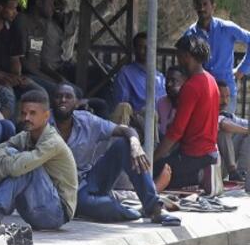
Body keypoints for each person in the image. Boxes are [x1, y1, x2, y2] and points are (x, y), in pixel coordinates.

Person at [52, 84, 178, 226]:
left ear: (76, 103)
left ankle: (155, 208)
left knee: (125, 144)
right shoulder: (45, 124)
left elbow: (126, 130)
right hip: (65, 193)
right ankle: (134, 212)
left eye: (68, 97)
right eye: (58, 97)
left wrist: (135, 145)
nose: (63, 100)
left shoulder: (87, 120)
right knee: (106, 207)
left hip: (90, 181)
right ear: (52, 101)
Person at [0, 89, 78, 231]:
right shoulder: (25, 136)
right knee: (13, 157)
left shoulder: (53, 141)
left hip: (55, 213)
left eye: (33, 113)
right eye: (24, 113)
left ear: (46, 115)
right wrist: (6, 162)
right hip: (32, 207)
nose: (26, 118)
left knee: (26, 165)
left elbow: (18, 167)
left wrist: (4, 163)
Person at [154, 34, 220, 191]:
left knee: (153, 173)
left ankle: (199, 176)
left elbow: (176, 132)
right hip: (211, 152)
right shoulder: (211, 80)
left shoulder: (190, 87)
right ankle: (201, 174)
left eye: (179, 57)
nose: (178, 61)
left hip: (193, 155)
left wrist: (153, 158)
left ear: (186, 56)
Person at [185, 0, 250, 112]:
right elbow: (184, 60)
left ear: (213, 6)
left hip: (226, 92)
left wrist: (243, 69)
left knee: (225, 128)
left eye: (205, 4)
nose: (202, 8)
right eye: (198, 5)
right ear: (194, 6)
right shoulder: (190, 34)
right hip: (202, 92)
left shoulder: (227, 28)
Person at [16, 0, 68, 93]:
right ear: (39, 3)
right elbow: (24, 63)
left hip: (36, 73)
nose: (53, 8)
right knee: (63, 92)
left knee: (73, 90)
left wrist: (58, 78)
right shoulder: (21, 21)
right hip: (24, 76)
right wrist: (50, 79)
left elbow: (36, 58)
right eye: (50, 3)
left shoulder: (39, 27)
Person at [111, 32, 167, 123]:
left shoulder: (160, 77)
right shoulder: (125, 73)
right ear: (135, 49)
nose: (142, 51)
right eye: (139, 47)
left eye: (146, 48)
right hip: (137, 123)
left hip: (160, 123)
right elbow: (122, 107)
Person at [216, 81, 250, 183]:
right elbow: (223, 125)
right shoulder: (209, 113)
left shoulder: (227, 115)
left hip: (223, 166)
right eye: (221, 97)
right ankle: (233, 170)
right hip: (210, 167)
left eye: (227, 97)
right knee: (224, 133)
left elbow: (245, 124)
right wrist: (247, 130)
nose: (225, 101)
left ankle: (242, 172)